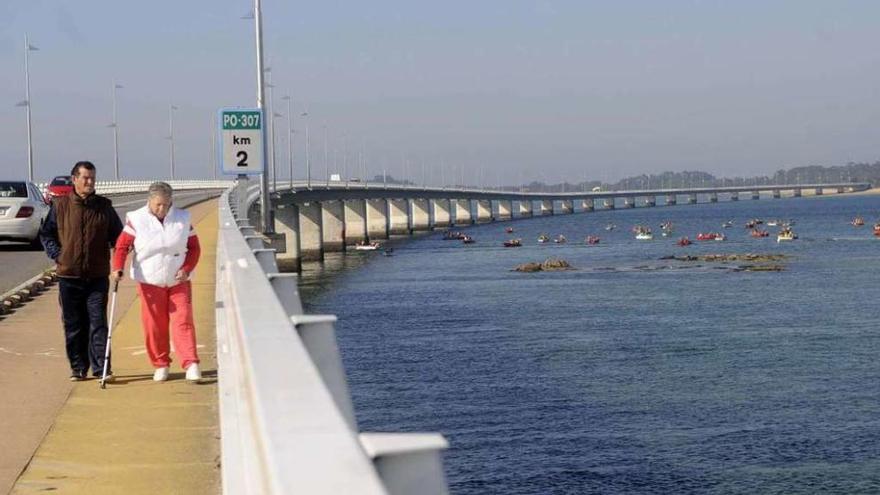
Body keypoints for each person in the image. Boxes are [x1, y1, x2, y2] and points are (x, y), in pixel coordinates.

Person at [40, 161, 123, 381]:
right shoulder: (60, 206)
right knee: (74, 325)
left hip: (97, 276)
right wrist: (58, 254)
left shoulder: (104, 207)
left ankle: (101, 369)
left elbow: (119, 237)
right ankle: (78, 367)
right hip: (69, 276)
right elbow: (46, 234)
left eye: (93, 178)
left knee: (98, 323)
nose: (89, 182)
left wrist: (120, 261)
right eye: (85, 178)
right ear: (74, 179)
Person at [111, 181, 202, 382]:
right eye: (158, 205)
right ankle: (161, 364)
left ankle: (190, 363)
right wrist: (117, 267)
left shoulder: (182, 218)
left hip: (179, 280)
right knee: (154, 325)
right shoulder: (136, 219)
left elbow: (195, 248)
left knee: (183, 320)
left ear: (171, 203)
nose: (162, 209)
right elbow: (122, 247)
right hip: (150, 281)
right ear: (149, 201)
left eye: (166, 205)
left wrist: (187, 268)